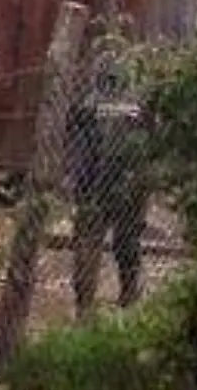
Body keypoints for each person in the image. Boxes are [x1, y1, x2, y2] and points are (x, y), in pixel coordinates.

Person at [64, 25, 155, 317]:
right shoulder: (139, 106)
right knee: (127, 241)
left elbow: (74, 146)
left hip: (93, 183)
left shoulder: (86, 105)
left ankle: (85, 306)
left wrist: (73, 180)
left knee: (89, 240)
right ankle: (128, 298)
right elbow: (150, 143)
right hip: (129, 183)